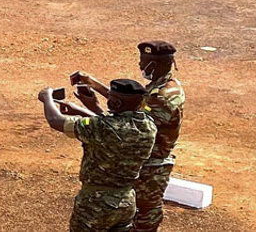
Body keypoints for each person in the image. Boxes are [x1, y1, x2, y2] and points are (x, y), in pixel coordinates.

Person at [72, 42, 186, 232]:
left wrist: (93, 111)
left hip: (151, 167)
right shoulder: (160, 88)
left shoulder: (164, 96)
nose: (140, 66)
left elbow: (128, 128)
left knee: (143, 218)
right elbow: (129, 106)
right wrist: (93, 83)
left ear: (155, 64)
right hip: (142, 161)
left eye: (144, 62)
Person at [38, 79, 158, 232]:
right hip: (126, 202)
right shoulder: (149, 125)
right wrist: (81, 110)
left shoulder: (101, 127)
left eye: (111, 97)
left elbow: (56, 120)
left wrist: (47, 97)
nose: (108, 99)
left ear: (117, 104)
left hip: (96, 203)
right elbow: (111, 127)